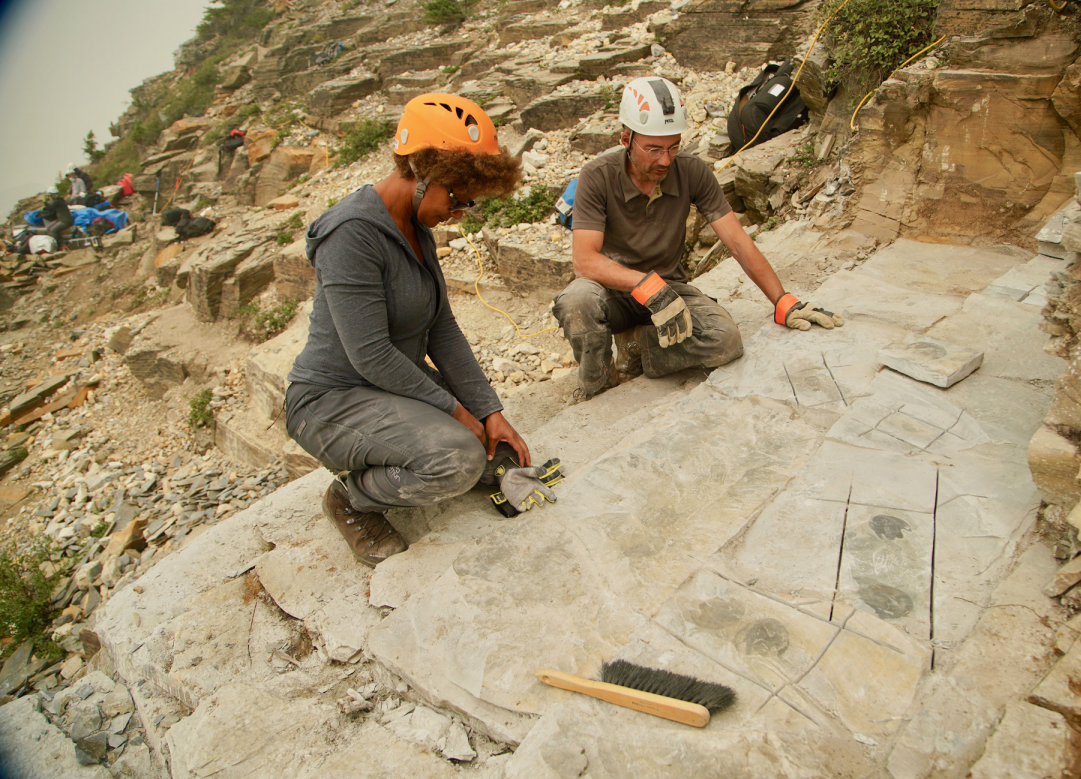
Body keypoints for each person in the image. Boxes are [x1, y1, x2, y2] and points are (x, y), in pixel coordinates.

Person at [285, 94, 549, 567]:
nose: (460, 210)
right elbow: (370, 355)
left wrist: (489, 411)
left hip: (392, 388)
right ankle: (351, 498)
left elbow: (442, 329)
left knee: (500, 457)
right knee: (458, 461)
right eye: (458, 196)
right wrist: (455, 410)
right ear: (422, 171)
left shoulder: (417, 226)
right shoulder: (350, 234)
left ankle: (423, 444)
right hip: (331, 400)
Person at [553, 76, 845, 399]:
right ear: (626, 139)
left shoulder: (691, 171)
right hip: (614, 291)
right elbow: (584, 259)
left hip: (670, 289)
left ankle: (636, 345)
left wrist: (782, 300)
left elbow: (736, 240)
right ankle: (597, 386)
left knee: (725, 339)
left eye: (673, 147)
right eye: (653, 149)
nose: (665, 160)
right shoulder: (597, 176)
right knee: (576, 301)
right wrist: (647, 287)